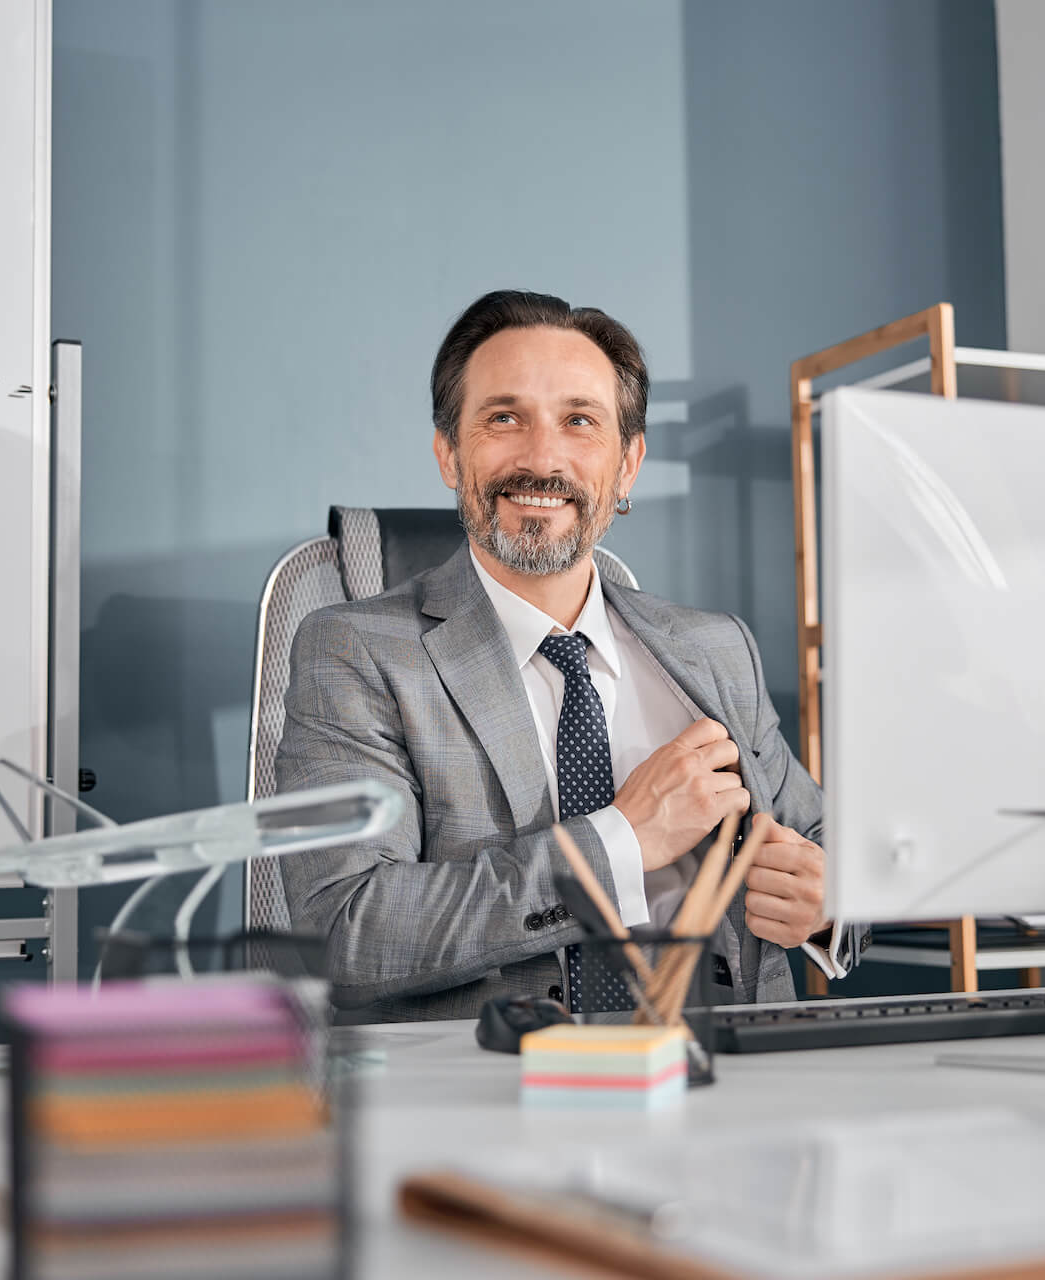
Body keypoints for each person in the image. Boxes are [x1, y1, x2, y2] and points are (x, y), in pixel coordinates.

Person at [275, 290, 866, 1020]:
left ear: (627, 467)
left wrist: (830, 900)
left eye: (580, 421)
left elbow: (821, 840)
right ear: (449, 455)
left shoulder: (716, 650)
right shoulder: (357, 653)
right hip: (491, 1104)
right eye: (503, 418)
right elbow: (346, 934)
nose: (542, 457)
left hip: (727, 1085)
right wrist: (617, 843)